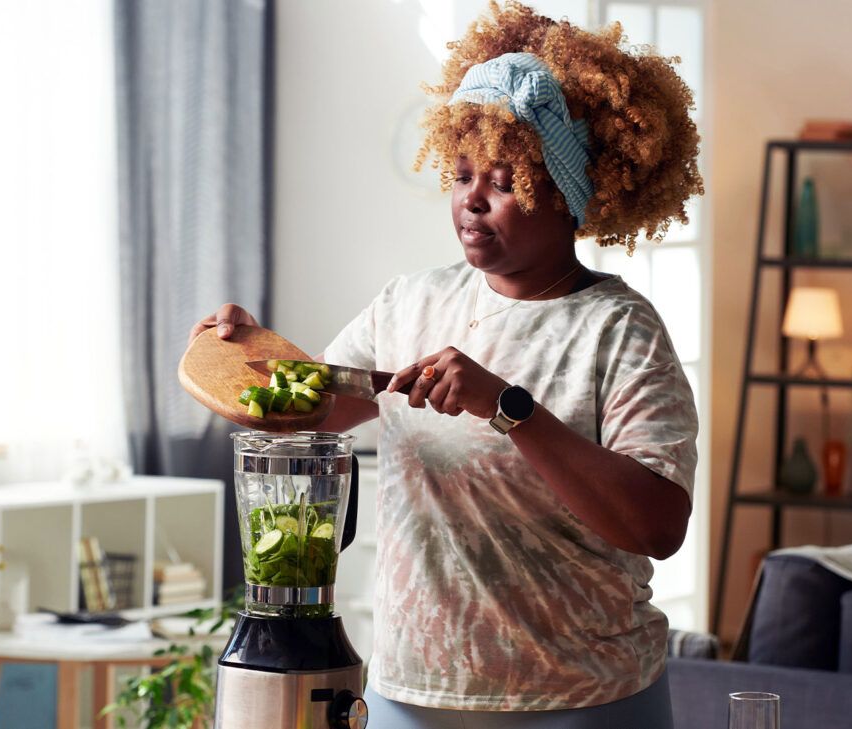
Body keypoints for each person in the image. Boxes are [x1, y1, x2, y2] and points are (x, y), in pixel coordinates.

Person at [190, 2, 703, 726]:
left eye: (501, 180)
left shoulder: (619, 330)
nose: (471, 199)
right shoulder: (409, 303)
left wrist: (508, 406)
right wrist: (247, 349)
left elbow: (657, 523)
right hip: (413, 693)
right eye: (461, 175)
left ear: (563, 193)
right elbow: (312, 407)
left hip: (581, 696)